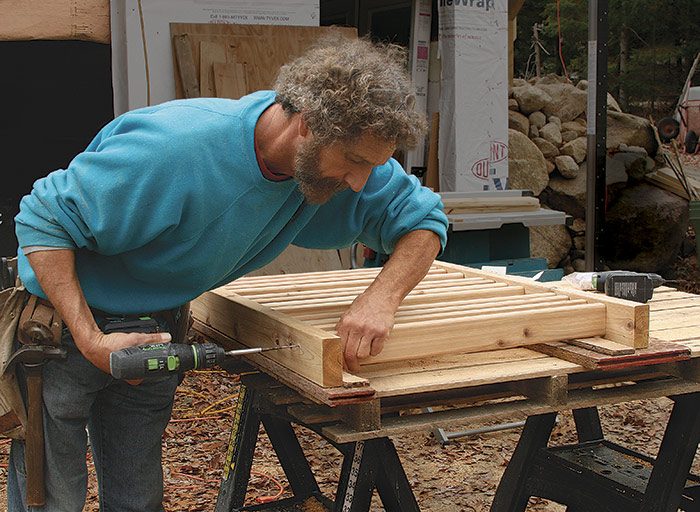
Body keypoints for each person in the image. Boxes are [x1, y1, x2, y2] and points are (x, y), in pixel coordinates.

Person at [9, 35, 448, 511]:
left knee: (138, 499)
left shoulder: (335, 160)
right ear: (306, 125)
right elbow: (42, 221)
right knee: (50, 500)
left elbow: (425, 221)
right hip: (63, 332)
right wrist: (91, 339)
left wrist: (379, 298)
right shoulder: (174, 148)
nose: (361, 182)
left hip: (154, 331)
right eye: (357, 162)